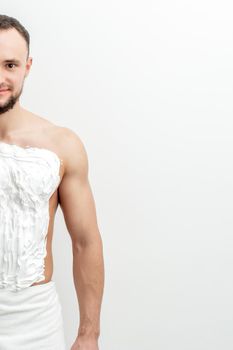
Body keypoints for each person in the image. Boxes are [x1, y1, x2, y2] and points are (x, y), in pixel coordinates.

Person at [0, 14, 105, 350]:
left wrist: (89, 334)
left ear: (27, 67)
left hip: (35, 324)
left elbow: (85, 242)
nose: (0, 76)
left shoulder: (61, 145)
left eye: (10, 65)